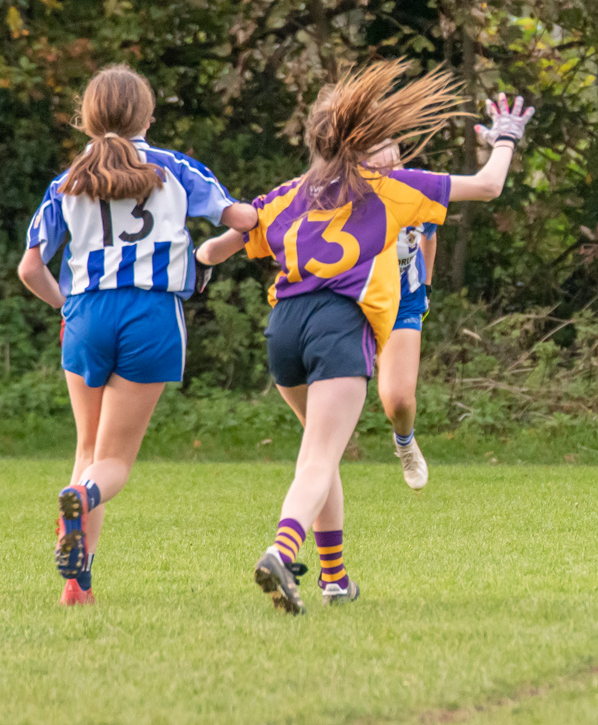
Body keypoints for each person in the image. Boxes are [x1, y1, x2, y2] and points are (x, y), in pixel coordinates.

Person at [195, 60, 534, 615]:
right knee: (318, 459)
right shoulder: (389, 186)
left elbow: (219, 246)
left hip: (283, 328)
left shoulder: (288, 194)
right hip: (337, 325)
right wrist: (506, 138)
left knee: (320, 454)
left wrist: (202, 263)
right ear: (362, 139)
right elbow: (490, 186)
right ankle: (281, 552)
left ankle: (335, 579)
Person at [17, 63, 257, 605]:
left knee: (87, 445)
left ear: (88, 116)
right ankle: (82, 496)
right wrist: (234, 237)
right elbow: (242, 219)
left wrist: (67, 309)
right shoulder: (174, 168)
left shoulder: (67, 181)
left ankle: (77, 587)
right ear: (147, 114)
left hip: (86, 314)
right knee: (114, 463)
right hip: (149, 315)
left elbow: (30, 268)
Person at [365, 138, 438, 490]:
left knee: (397, 399)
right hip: (354, 301)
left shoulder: (416, 190)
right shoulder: (340, 194)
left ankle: (405, 443)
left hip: (404, 301)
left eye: (391, 167)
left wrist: (426, 285)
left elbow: (430, 235)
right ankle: (320, 456)